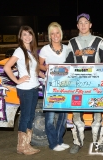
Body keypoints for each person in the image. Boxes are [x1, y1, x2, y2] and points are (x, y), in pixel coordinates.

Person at [65, 13, 103, 154]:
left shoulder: (99, 40)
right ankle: (78, 142)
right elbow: (67, 63)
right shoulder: (72, 42)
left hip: (96, 85)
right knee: (77, 116)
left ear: (90, 25)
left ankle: (98, 143)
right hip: (77, 85)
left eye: (86, 22)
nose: (83, 25)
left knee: (97, 115)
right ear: (77, 26)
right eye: (81, 23)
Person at [4, 26, 45, 155]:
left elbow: (35, 70)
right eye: (24, 35)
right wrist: (17, 81)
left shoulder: (32, 50)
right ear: (20, 37)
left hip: (33, 88)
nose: (27, 37)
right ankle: (21, 146)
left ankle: (26, 144)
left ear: (33, 36)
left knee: (30, 116)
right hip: (25, 89)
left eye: (29, 34)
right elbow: (7, 67)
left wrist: (46, 76)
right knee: (25, 117)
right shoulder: (19, 51)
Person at [39, 22, 70, 151]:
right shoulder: (45, 49)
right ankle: (53, 144)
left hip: (65, 86)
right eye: (52, 33)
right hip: (51, 86)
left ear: (61, 34)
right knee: (50, 117)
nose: (55, 35)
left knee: (63, 117)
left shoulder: (68, 48)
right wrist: (45, 70)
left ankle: (59, 140)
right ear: (50, 35)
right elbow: (39, 65)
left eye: (57, 33)